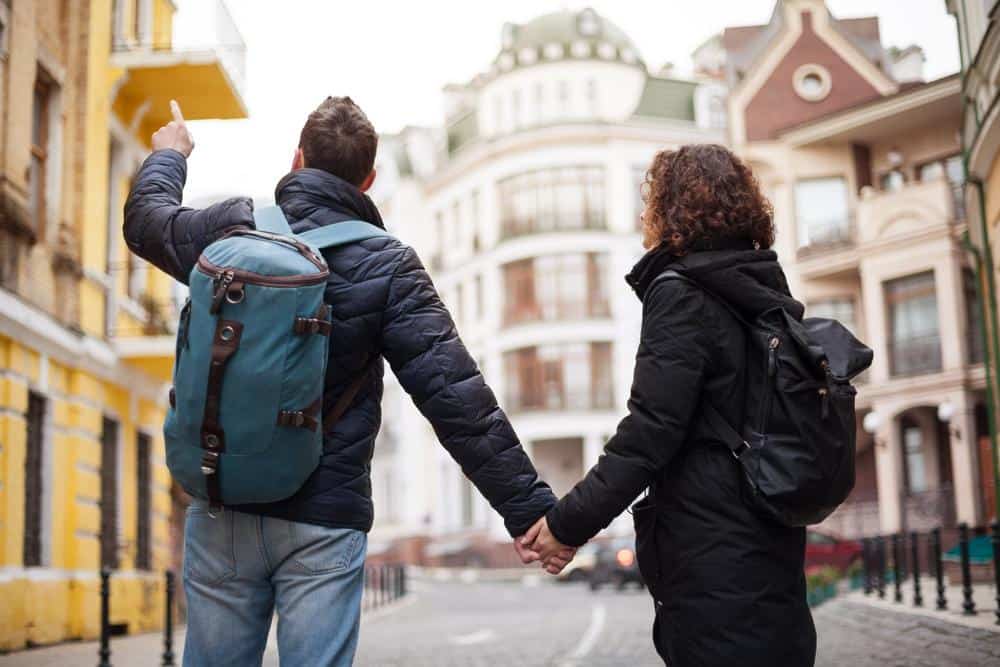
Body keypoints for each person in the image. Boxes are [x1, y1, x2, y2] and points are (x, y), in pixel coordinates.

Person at [125, 98, 563, 667]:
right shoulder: (389, 266)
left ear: (298, 158)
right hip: (323, 517)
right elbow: (455, 395)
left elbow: (145, 223)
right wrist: (530, 510)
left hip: (222, 502)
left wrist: (170, 156)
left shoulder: (233, 225)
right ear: (369, 180)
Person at [523, 144, 817, 666]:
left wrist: (566, 525)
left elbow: (650, 432)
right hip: (772, 533)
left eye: (650, 201)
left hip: (711, 548)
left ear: (671, 209)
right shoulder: (762, 284)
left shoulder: (681, 293)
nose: (642, 215)